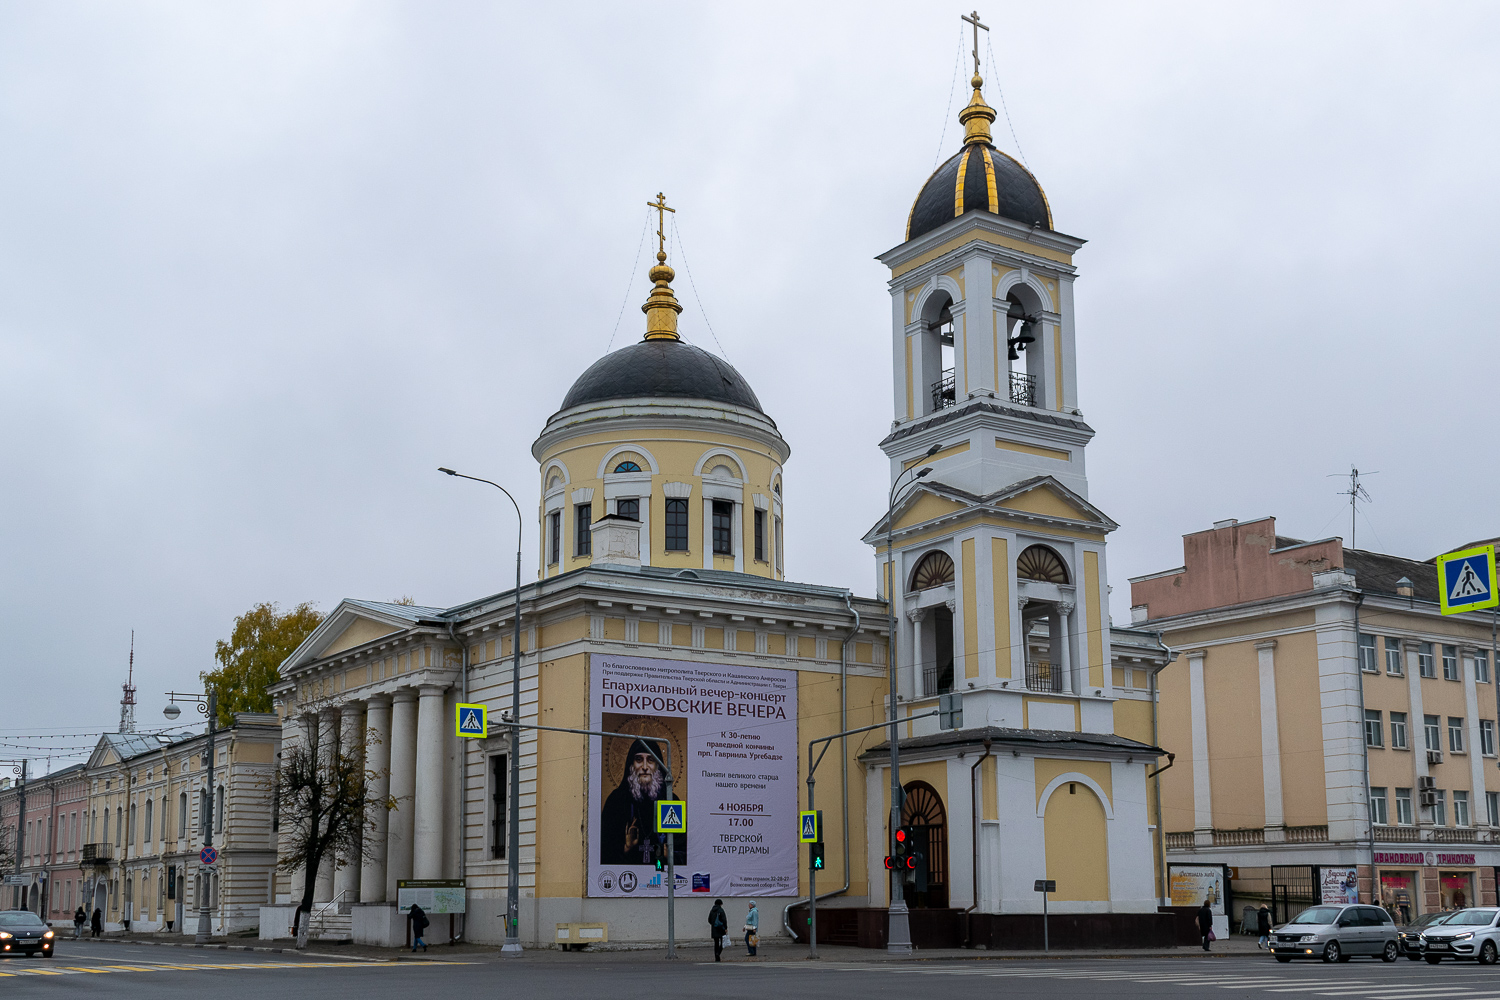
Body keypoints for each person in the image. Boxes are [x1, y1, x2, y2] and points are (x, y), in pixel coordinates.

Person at [599, 737, 686, 866]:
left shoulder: (670, 800)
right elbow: (602, 852)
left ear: (658, 765)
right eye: (639, 759)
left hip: (661, 876)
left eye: (650, 760)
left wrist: (670, 855)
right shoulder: (616, 800)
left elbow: (685, 852)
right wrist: (626, 848)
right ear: (631, 764)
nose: (645, 767)